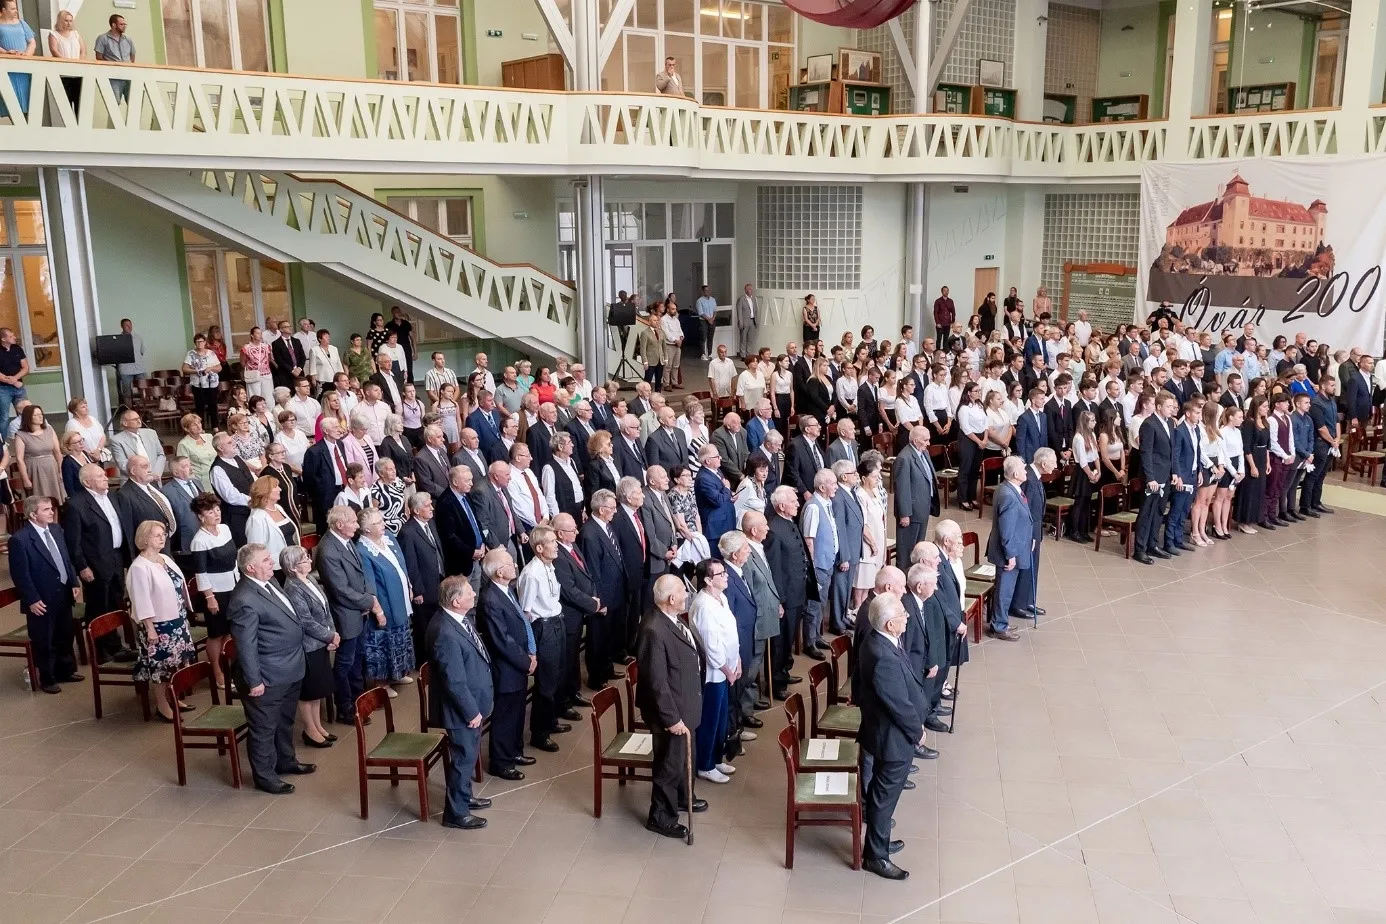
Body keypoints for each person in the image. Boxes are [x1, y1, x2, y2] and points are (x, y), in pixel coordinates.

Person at [227, 544, 314, 794]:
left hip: (290, 667)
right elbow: (246, 645)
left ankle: (285, 761)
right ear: (251, 568)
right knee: (264, 728)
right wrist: (254, 681)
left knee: (285, 721)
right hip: (268, 674)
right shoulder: (244, 599)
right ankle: (265, 777)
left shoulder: (269, 582)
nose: (271, 562)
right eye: (265, 560)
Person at [857, 593, 926, 880]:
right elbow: (897, 704)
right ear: (888, 624)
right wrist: (917, 731)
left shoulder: (882, 641)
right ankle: (875, 855)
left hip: (886, 732)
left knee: (882, 794)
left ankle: (879, 839)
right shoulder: (882, 656)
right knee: (884, 796)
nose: (907, 617)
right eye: (902, 616)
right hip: (892, 738)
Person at [636, 573, 707, 837]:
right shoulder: (654, 629)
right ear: (671, 598)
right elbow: (656, 682)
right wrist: (671, 718)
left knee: (682, 759)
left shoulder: (672, 620)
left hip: (685, 702)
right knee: (669, 765)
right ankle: (661, 817)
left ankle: (682, 797)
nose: (687, 594)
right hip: (671, 711)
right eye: (682, 591)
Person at [425, 577, 493, 830]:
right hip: (461, 710)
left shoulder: (457, 619)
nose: (474, 593)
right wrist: (471, 711)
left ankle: (465, 797)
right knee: (464, 758)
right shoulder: (445, 632)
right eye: (469, 592)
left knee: (469, 752)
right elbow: (453, 680)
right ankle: (456, 813)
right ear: (456, 601)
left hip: (471, 702)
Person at [9, 497, 82, 694]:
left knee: (65, 634)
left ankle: (65, 670)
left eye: (52, 508)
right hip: (41, 598)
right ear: (33, 514)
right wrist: (31, 598)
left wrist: (74, 581)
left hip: (63, 592)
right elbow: (20, 574)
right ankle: (48, 678)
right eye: (46, 509)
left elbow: (65, 557)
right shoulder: (20, 540)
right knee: (45, 639)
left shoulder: (57, 530)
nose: (52, 512)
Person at [126, 522, 197, 723]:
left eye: (163, 534)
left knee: (175, 662)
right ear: (144, 539)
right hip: (157, 626)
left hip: (176, 618)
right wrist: (150, 629)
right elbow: (141, 600)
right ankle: (162, 704)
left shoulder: (164, 558)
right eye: (156, 535)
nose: (161, 538)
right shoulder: (139, 567)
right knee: (160, 667)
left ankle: (172, 697)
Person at [477, 548, 533, 780]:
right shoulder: (490, 599)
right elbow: (502, 641)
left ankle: (514, 751)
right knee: (505, 714)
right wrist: (526, 660)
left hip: (517, 663)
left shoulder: (506, 590)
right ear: (500, 572)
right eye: (511, 564)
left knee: (518, 709)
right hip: (506, 667)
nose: (515, 566)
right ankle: (501, 761)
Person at [280, 546, 340, 750]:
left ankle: (318, 726)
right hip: (308, 645)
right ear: (293, 567)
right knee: (309, 691)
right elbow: (305, 621)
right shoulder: (293, 587)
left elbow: (325, 609)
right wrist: (329, 635)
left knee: (319, 690)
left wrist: (332, 633)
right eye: (304, 559)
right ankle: (309, 729)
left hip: (320, 642)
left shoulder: (310, 579)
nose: (309, 561)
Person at [687, 558, 740, 785]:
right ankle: (705, 765)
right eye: (721, 574)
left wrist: (737, 659)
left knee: (720, 720)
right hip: (714, 673)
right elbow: (711, 646)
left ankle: (717, 758)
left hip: (727, 668)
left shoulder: (721, 598)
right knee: (710, 720)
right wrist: (728, 669)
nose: (726, 576)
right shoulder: (703, 605)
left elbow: (729, 632)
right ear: (708, 580)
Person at [517, 526, 567, 753]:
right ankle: (540, 733)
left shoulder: (549, 566)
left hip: (556, 621)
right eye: (552, 542)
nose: (557, 545)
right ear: (539, 548)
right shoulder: (531, 574)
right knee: (545, 684)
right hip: (543, 628)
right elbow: (526, 612)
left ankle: (551, 721)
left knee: (556, 676)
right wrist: (531, 646)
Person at [64, 464, 127, 639]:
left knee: (115, 602)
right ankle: (101, 649)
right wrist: (82, 566)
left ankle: (115, 645)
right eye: (100, 476)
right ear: (87, 482)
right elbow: (73, 541)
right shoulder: (76, 504)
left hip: (116, 557)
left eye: (104, 474)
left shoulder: (113, 497)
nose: (106, 478)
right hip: (95, 563)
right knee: (100, 605)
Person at [357, 507, 416, 694]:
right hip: (384, 604)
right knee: (384, 644)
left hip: (400, 599)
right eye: (378, 522)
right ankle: (382, 684)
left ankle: (397, 673)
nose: (383, 524)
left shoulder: (389, 537)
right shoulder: (363, 551)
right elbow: (370, 584)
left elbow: (401, 563)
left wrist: (409, 585)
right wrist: (378, 610)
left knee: (401, 637)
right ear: (366, 529)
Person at [985, 456, 1031, 641]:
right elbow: (1006, 530)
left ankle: (1001, 620)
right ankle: (999, 626)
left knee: (1006, 589)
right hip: (1008, 552)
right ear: (1014, 474)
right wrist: (1011, 555)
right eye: (1023, 468)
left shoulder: (1009, 489)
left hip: (1015, 547)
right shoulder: (1008, 495)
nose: (1026, 471)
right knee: (1004, 590)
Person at [1133, 393, 1176, 564]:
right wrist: (1150, 477)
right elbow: (1146, 452)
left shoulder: (1170, 423)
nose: (1172, 409)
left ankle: (1152, 544)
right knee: (1146, 512)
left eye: (1172, 407)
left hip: (1165, 474)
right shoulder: (1149, 424)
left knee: (1159, 511)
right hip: (1153, 477)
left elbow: (1172, 451)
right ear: (1159, 407)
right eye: (1169, 406)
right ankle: (1140, 549)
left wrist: (1174, 472)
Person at [13, 405, 64, 504]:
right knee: (39, 501)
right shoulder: (21, 435)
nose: (40, 417)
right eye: (36, 415)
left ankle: (55, 518)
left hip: (51, 468)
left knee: (55, 499)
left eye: (41, 414)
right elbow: (20, 459)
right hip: (34, 469)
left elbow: (57, 452)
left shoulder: (49, 430)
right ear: (29, 417)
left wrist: (61, 470)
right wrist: (25, 479)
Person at [109, 408, 166, 485]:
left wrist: (156, 473)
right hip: (133, 481)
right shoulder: (117, 440)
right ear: (125, 423)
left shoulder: (151, 433)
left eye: (139, 418)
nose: (139, 421)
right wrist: (143, 475)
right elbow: (122, 463)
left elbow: (161, 455)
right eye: (134, 419)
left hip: (155, 479)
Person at [1068, 409, 1100, 544]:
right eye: (1092, 420)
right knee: (1080, 502)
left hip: (1092, 468)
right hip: (1083, 471)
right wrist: (1090, 475)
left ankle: (1084, 530)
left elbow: (1096, 455)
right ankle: (1074, 531)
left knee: (1088, 502)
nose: (1095, 422)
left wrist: (1099, 471)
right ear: (1085, 422)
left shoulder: (1092, 434)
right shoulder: (1078, 437)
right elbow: (1082, 461)